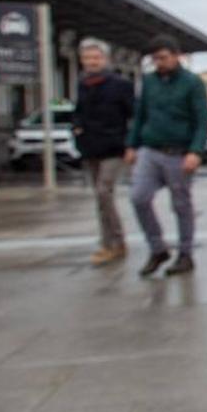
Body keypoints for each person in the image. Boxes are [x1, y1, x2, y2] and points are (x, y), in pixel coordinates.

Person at [125, 36, 207, 276]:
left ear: (176, 55)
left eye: (163, 58)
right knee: (139, 197)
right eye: (155, 59)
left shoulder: (192, 83)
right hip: (150, 151)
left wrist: (196, 151)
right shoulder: (149, 82)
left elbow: (202, 121)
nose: (159, 63)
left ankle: (185, 253)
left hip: (179, 153)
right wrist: (132, 144)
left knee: (181, 205)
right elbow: (140, 115)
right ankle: (157, 248)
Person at [73, 38, 135, 265]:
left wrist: (131, 144)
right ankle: (111, 242)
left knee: (103, 192)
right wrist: (77, 128)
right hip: (90, 147)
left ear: (106, 60)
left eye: (96, 57)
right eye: (87, 58)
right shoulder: (83, 84)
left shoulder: (120, 85)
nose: (92, 62)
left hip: (114, 148)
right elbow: (79, 111)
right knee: (100, 199)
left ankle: (113, 242)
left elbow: (133, 115)